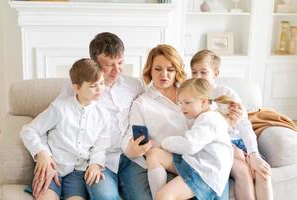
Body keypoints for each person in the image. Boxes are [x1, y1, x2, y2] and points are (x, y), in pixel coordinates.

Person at [31, 32, 145, 200]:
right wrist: (43, 154)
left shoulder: (134, 85)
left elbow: (145, 113)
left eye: (120, 62)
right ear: (95, 63)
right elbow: (52, 120)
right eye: (109, 65)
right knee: (104, 196)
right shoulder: (77, 90)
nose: (117, 70)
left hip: (130, 156)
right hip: (102, 159)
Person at [121, 44, 230, 200]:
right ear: (149, 70)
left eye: (170, 70)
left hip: (201, 158)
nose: (164, 75)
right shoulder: (142, 103)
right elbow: (131, 136)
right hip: (171, 157)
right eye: (158, 69)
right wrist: (130, 148)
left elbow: (213, 121)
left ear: (177, 71)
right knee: (154, 155)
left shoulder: (192, 91)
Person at [20, 58, 111, 200]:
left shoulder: (103, 114)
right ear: (76, 87)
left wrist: (95, 164)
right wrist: (42, 154)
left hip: (78, 174)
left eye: (102, 83)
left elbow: (100, 147)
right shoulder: (59, 108)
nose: (100, 89)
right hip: (53, 168)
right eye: (93, 86)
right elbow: (28, 131)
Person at [190, 49, 273, 200]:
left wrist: (253, 154)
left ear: (215, 73)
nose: (197, 77)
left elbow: (245, 126)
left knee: (263, 173)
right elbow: (199, 132)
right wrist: (232, 148)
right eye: (194, 72)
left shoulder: (226, 93)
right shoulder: (191, 97)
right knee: (245, 172)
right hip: (221, 145)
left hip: (240, 141)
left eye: (203, 72)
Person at [146, 78, 234, 200]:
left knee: (163, 196)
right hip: (195, 164)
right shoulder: (204, 116)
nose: (182, 107)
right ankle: (159, 196)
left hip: (205, 175)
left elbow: (190, 145)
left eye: (187, 102)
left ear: (203, 102)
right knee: (154, 154)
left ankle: (161, 197)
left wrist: (165, 143)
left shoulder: (209, 119)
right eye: (180, 103)